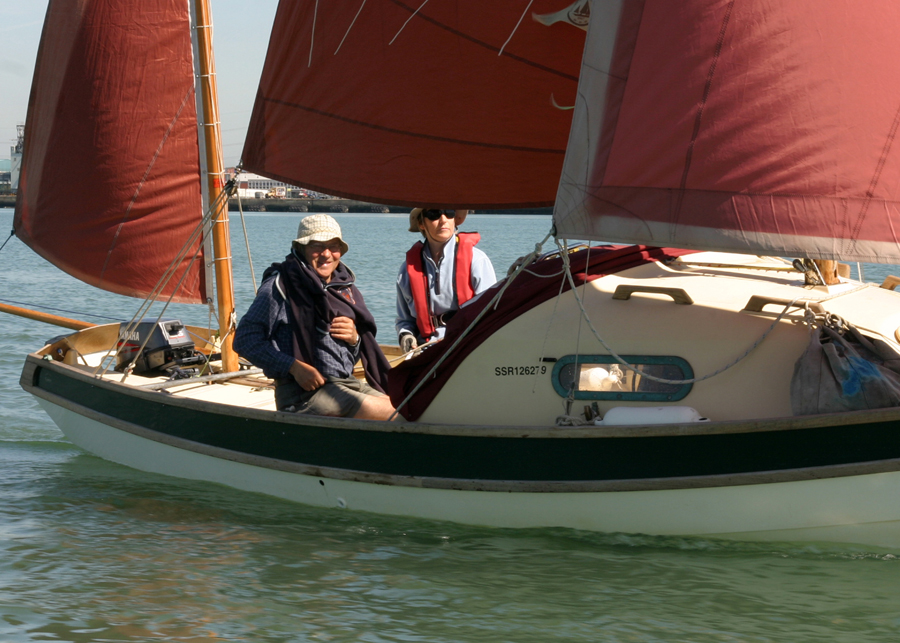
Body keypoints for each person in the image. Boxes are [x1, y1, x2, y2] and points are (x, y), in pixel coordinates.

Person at [234, 214, 396, 420]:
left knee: (407, 407)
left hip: (344, 383)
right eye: (317, 246)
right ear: (301, 248)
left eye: (333, 246)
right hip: (302, 394)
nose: (326, 254)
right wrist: (293, 367)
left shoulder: (344, 289)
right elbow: (244, 340)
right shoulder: (281, 286)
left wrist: (354, 340)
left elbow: (348, 358)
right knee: (396, 414)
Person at [396, 208, 497, 352]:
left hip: (466, 349)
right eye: (434, 214)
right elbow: (405, 320)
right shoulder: (407, 269)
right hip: (425, 350)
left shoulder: (477, 261)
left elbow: (492, 315)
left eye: (449, 212)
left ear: (455, 219)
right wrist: (406, 335)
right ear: (421, 224)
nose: (443, 220)